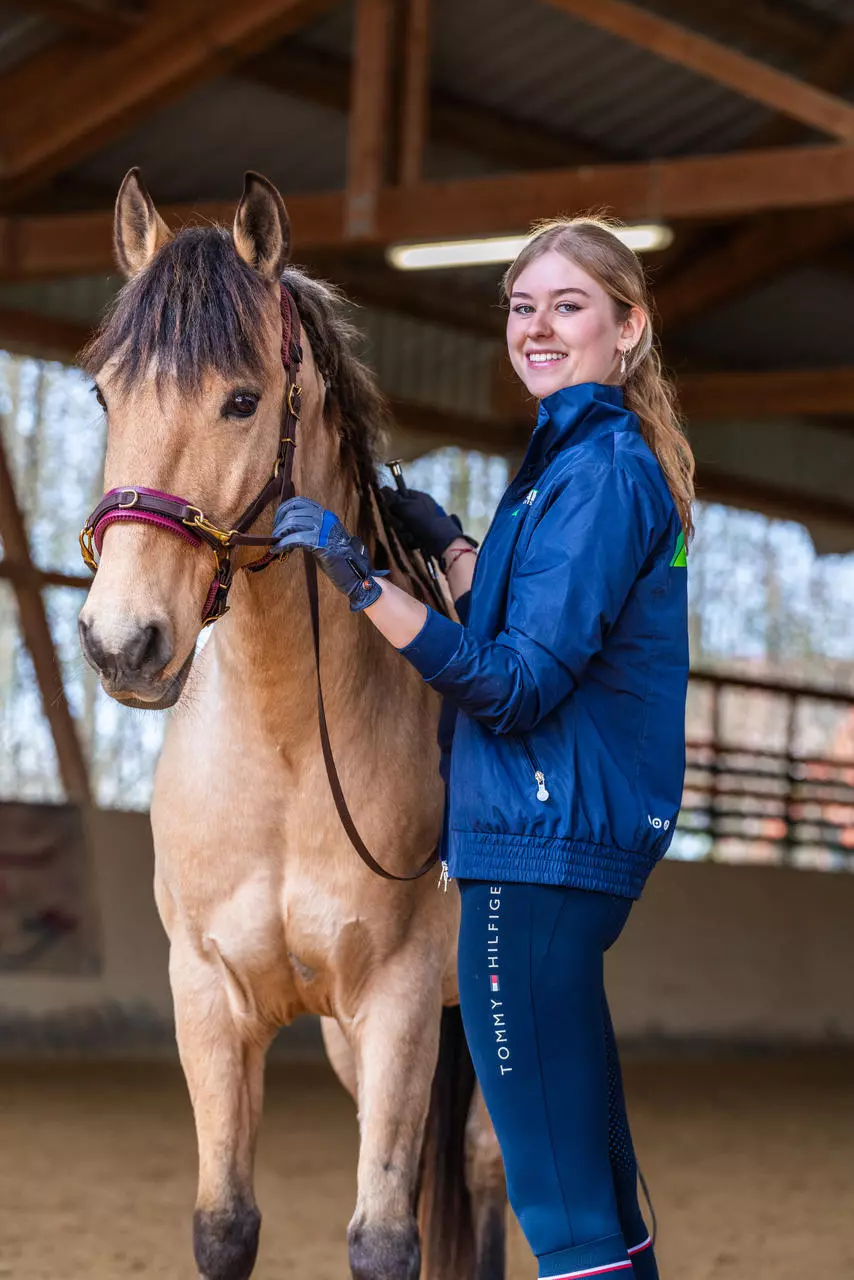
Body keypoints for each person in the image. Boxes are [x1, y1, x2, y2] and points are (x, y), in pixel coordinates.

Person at [273, 216, 694, 1280]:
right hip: (551, 854)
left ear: (627, 327)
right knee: (600, 1188)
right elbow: (528, 626)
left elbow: (511, 686)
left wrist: (362, 583)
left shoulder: (597, 469)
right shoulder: (570, 459)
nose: (538, 325)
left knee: (560, 1211)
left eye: (568, 305)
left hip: (532, 862)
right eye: (521, 305)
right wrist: (454, 545)